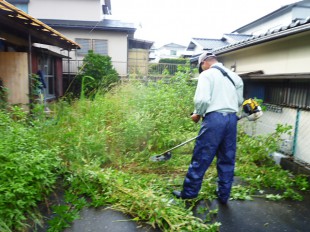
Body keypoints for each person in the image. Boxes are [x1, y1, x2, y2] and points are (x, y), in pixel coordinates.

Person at [172, 51, 244, 204]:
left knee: (202, 156)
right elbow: (239, 100)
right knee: (227, 158)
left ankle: (189, 193)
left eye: (201, 67)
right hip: (231, 119)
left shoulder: (207, 74)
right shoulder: (234, 76)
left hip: (214, 119)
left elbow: (203, 99)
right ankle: (224, 195)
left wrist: (197, 114)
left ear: (204, 62)